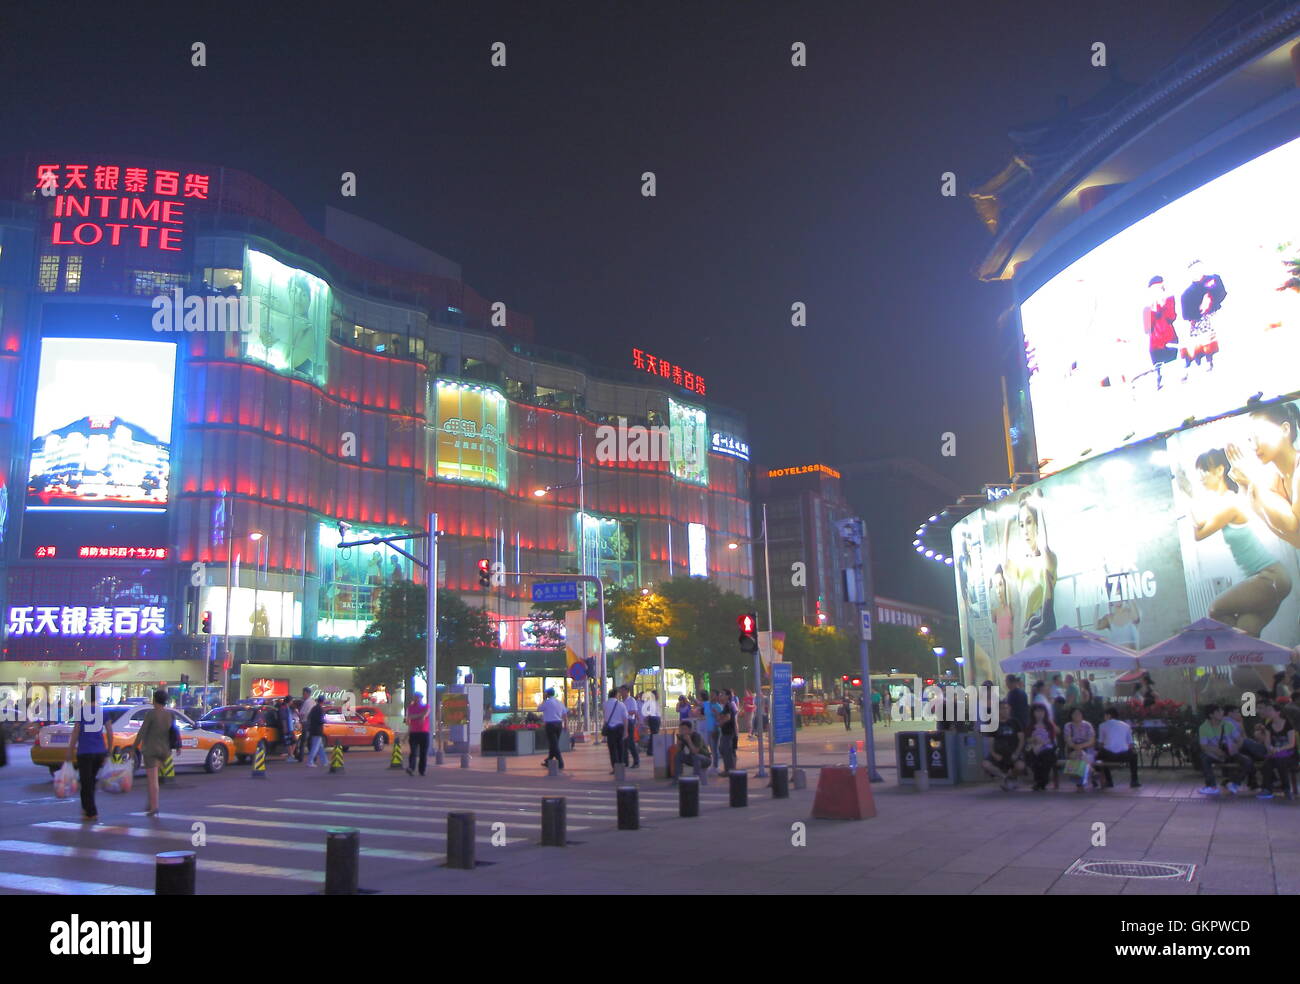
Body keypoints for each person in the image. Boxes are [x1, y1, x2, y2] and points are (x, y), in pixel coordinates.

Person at [1175, 450, 1292, 637]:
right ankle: (1278, 666)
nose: (1201, 478)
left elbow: (1199, 532)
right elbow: (1201, 521)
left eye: (1204, 471)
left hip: (1270, 576)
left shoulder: (1230, 503)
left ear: (1220, 470)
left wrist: (1187, 493)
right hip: (1269, 578)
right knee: (1247, 637)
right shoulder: (1223, 501)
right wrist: (1188, 494)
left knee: (1215, 609)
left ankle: (1234, 648)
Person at [67, 686, 113, 823]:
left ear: (86, 696)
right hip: (99, 752)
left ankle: (91, 812)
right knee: (91, 781)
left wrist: (70, 750)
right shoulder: (103, 711)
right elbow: (110, 732)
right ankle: (87, 809)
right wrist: (109, 751)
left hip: (85, 752)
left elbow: (76, 732)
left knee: (86, 783)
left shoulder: (81, 711)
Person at [133, 688, 171, 818]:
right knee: (156, 780)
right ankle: (151, 802)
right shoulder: (169, 715)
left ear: (155, 700)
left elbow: (142, 732)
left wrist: (133, 748)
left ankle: (154, 806)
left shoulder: (151, 714)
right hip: (164, 750)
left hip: (151, 750)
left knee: (152, 780)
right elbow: (173, 733)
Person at [1142, 274, 1179, 389]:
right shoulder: (1147, 308)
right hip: (1155, 345)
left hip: (1170, 340)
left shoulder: (1169, 300)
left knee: (1172, 372)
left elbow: (1172, 317)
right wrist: (1153, 309)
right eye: (1155, 289)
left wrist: (1163, 305)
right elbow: (1147, 329)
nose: (1157, 292)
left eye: (1160, 288)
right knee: (1160, 375)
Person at [1257, 701, 1297, 800]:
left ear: (1278, 712)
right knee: (1266, 764)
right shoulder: (1269, 725)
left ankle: (1286, 789)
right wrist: (1270, 748)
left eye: (1270, 710)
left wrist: (1279, 749)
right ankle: (1268, 789)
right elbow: (1267, 742)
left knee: (1281, 762)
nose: (1268, 712)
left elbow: (1292, 744)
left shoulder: (1288, 724)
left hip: (1290, 754)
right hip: (1276, 753)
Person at [982, 701, 1025, 790]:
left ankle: (1012, 777)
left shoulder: (1015, 722)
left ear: (1009, 709)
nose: (1005, 710)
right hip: (999, 754)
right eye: (1002, 708)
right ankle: (1005, 777)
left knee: (1020, 766)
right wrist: (994, 754)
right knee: (985, 764)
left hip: (1012, 753)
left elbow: (1021, 739)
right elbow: (990, 742)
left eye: (1006, 708)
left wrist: (1017, 753)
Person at [1095, 707, 1141, 789]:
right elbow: (1130, 744)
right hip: (1123, 756)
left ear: (1108, 715)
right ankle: (1134, 780)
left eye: (1104, 716)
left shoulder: (1102, 725)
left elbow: (1100, 743)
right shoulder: (1126, 726)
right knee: (1134, 755)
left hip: (1109, 756)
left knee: (1101, 754)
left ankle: (1109, 781)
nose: (1104, 718)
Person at [1063, 706, 1097, 792]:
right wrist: (1076, 747)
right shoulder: (1068, 726)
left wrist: (1081, 747)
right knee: (1079, 756)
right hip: (1073, 749)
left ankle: (1080, 785)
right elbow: (1068, 740)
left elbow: (1092, 740)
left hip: (1086, 749)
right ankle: (1091, 771)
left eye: (1079, 713)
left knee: (1080, 757)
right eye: (1074, 714)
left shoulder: (1087, 725)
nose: (1077, 715)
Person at [1025, 703, 1057, 792]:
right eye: (1037, 711)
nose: (1039, 714)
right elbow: (1027, 739)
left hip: (1047, 746)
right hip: (1034, 745)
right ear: (1033, 713)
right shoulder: (1030, 726)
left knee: (1046, 755)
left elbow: (1051, 739)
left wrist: (1042, 744)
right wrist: (1035, 740)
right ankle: (1038, 780)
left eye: (1042, 711)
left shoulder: (1049, 725)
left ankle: (1043, 781)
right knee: (1032, 755)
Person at [539, 688, 566, 771]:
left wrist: (544, 700)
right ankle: (549, 760)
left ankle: (561, 763)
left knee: (554, 744)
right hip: (559, 724)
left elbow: (539, 709)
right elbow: (565, 714)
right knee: (554, 743)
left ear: (547, 694)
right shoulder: (559, 702)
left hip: (550, 725)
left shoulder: (547, 702)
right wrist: (566, 725)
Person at [602, 687, 628, 773]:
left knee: (612, 749)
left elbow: (605, 718)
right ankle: (621, 766)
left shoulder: (605, 704)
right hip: (619, 728)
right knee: (620, 748)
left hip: (610, 729)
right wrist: (626, 731)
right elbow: (625, 719)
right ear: (616, 695)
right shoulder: (621, 704)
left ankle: (614, 767)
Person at [406, 691, 431, 776]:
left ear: (421, 698)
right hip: (414, 732)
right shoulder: (410, 707)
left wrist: (417, 716)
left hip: (424, 732)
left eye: (418, 697)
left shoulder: (426, 706)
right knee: (413, 751)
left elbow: (426, 713)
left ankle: (422, 770)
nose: (416, 699)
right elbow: (409, 717)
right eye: (415, 697)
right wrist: (420, 716)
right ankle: (411, 768)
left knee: (423, 753)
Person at [716, 689, 738, 774]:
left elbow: (728, 717)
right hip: (726, 732)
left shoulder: (728, 705)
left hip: (728, 732)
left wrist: (720, 723)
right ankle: (729, 769)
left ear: (728, 696)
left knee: (726, 751)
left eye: (722, 694)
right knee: (723, 749)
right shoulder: (725, 706)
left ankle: (729, 770)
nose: (720, 696)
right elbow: (723, 716)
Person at [699, 690, 719, 769]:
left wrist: (716, 715)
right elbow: (699, 704)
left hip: (714, 730)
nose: (711, 696)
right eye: (710, 695)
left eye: (713, 695)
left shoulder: (718, 706)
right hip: (708, 729)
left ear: (717, 696)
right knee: (710, 748)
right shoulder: (707, 704)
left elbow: (720, 718)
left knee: (714, 748)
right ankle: (712, 765)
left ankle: (715, 766)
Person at [305, 697, 328, 767]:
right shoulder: (320, 709)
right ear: (323, 701)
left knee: (320, 747)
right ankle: (310, 761)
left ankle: (325, 761)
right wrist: (325, 721)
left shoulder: (314, 708)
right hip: (318, 730)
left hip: (313, 729)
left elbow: (309, 717)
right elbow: (320, 720)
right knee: (315, 747)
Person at [621, 686, 640, 769]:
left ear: (627, 691)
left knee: (631, 743)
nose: (621, 693)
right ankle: (625, 762)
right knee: (624, 743)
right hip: (623, 723)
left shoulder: (631, 700)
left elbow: (634, 712)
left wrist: (624, 712)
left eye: (622, 691)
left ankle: (636, 761)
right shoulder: (622, 701)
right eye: (620, 691)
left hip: (629, 722)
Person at [296, 687, 316, 762]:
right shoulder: (313, 702)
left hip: (305, 723)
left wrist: (297, 713)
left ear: (307, 694)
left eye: (304, 694)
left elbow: (302, 714)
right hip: (312, 723)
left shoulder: (306, 702)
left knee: (303, 741)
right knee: (310, 741)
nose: (303, 695)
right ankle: (313, 757)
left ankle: (300, 757)